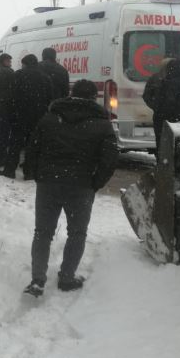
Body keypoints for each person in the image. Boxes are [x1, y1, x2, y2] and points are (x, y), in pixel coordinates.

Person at [23, 79, 118, 297]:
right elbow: (110, 159)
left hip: (48, 183)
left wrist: (38, 175)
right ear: (94, 97)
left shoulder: (50, 118)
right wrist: (95, 183)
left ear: (71, 94)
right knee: (77, 233)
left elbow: (32, 149)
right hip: (81, 186)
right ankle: (67, 277)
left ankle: (37, 279)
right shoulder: (102, 124)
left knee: (42, 232)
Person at [1, 54, 53, 179]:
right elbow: (50, 98)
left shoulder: (18, 75)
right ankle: (29, 172)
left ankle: (10, 170)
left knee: (15, 144)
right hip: (37, 116)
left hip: (19, 115)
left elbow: (9, 96)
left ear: (24, 64)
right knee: (32, 144)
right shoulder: (45, 78)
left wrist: (10, 113)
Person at [0, 53, 15, 166]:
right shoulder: (10, 73)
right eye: (9, 61)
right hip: (6, 108)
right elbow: (14, 90)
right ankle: (2, 157)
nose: (10, 63)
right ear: (3, 61)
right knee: (4, 134)